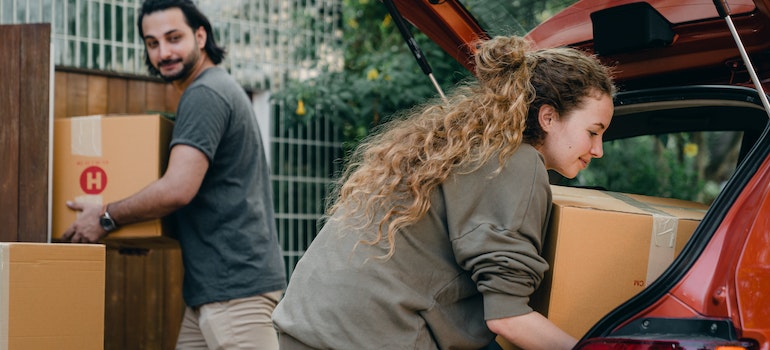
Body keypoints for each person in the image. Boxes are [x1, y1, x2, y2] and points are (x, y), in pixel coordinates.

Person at [271, 35, 615, 350]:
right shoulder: (514, 163)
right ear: (549, 117)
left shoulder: (457, 146)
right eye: (593, 132)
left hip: (304, 329)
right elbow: (508, 318)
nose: (598, 150)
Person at [61, 0, 287, 349]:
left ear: (200, 36)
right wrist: (138, 231)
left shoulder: (204, 94)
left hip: (235, 294)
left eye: (173, 38)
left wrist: (106, 217)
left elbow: (178, 189)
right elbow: (207, 197)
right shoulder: (217, 88)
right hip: (213, 291)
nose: (163, 52)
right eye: (152, 43)